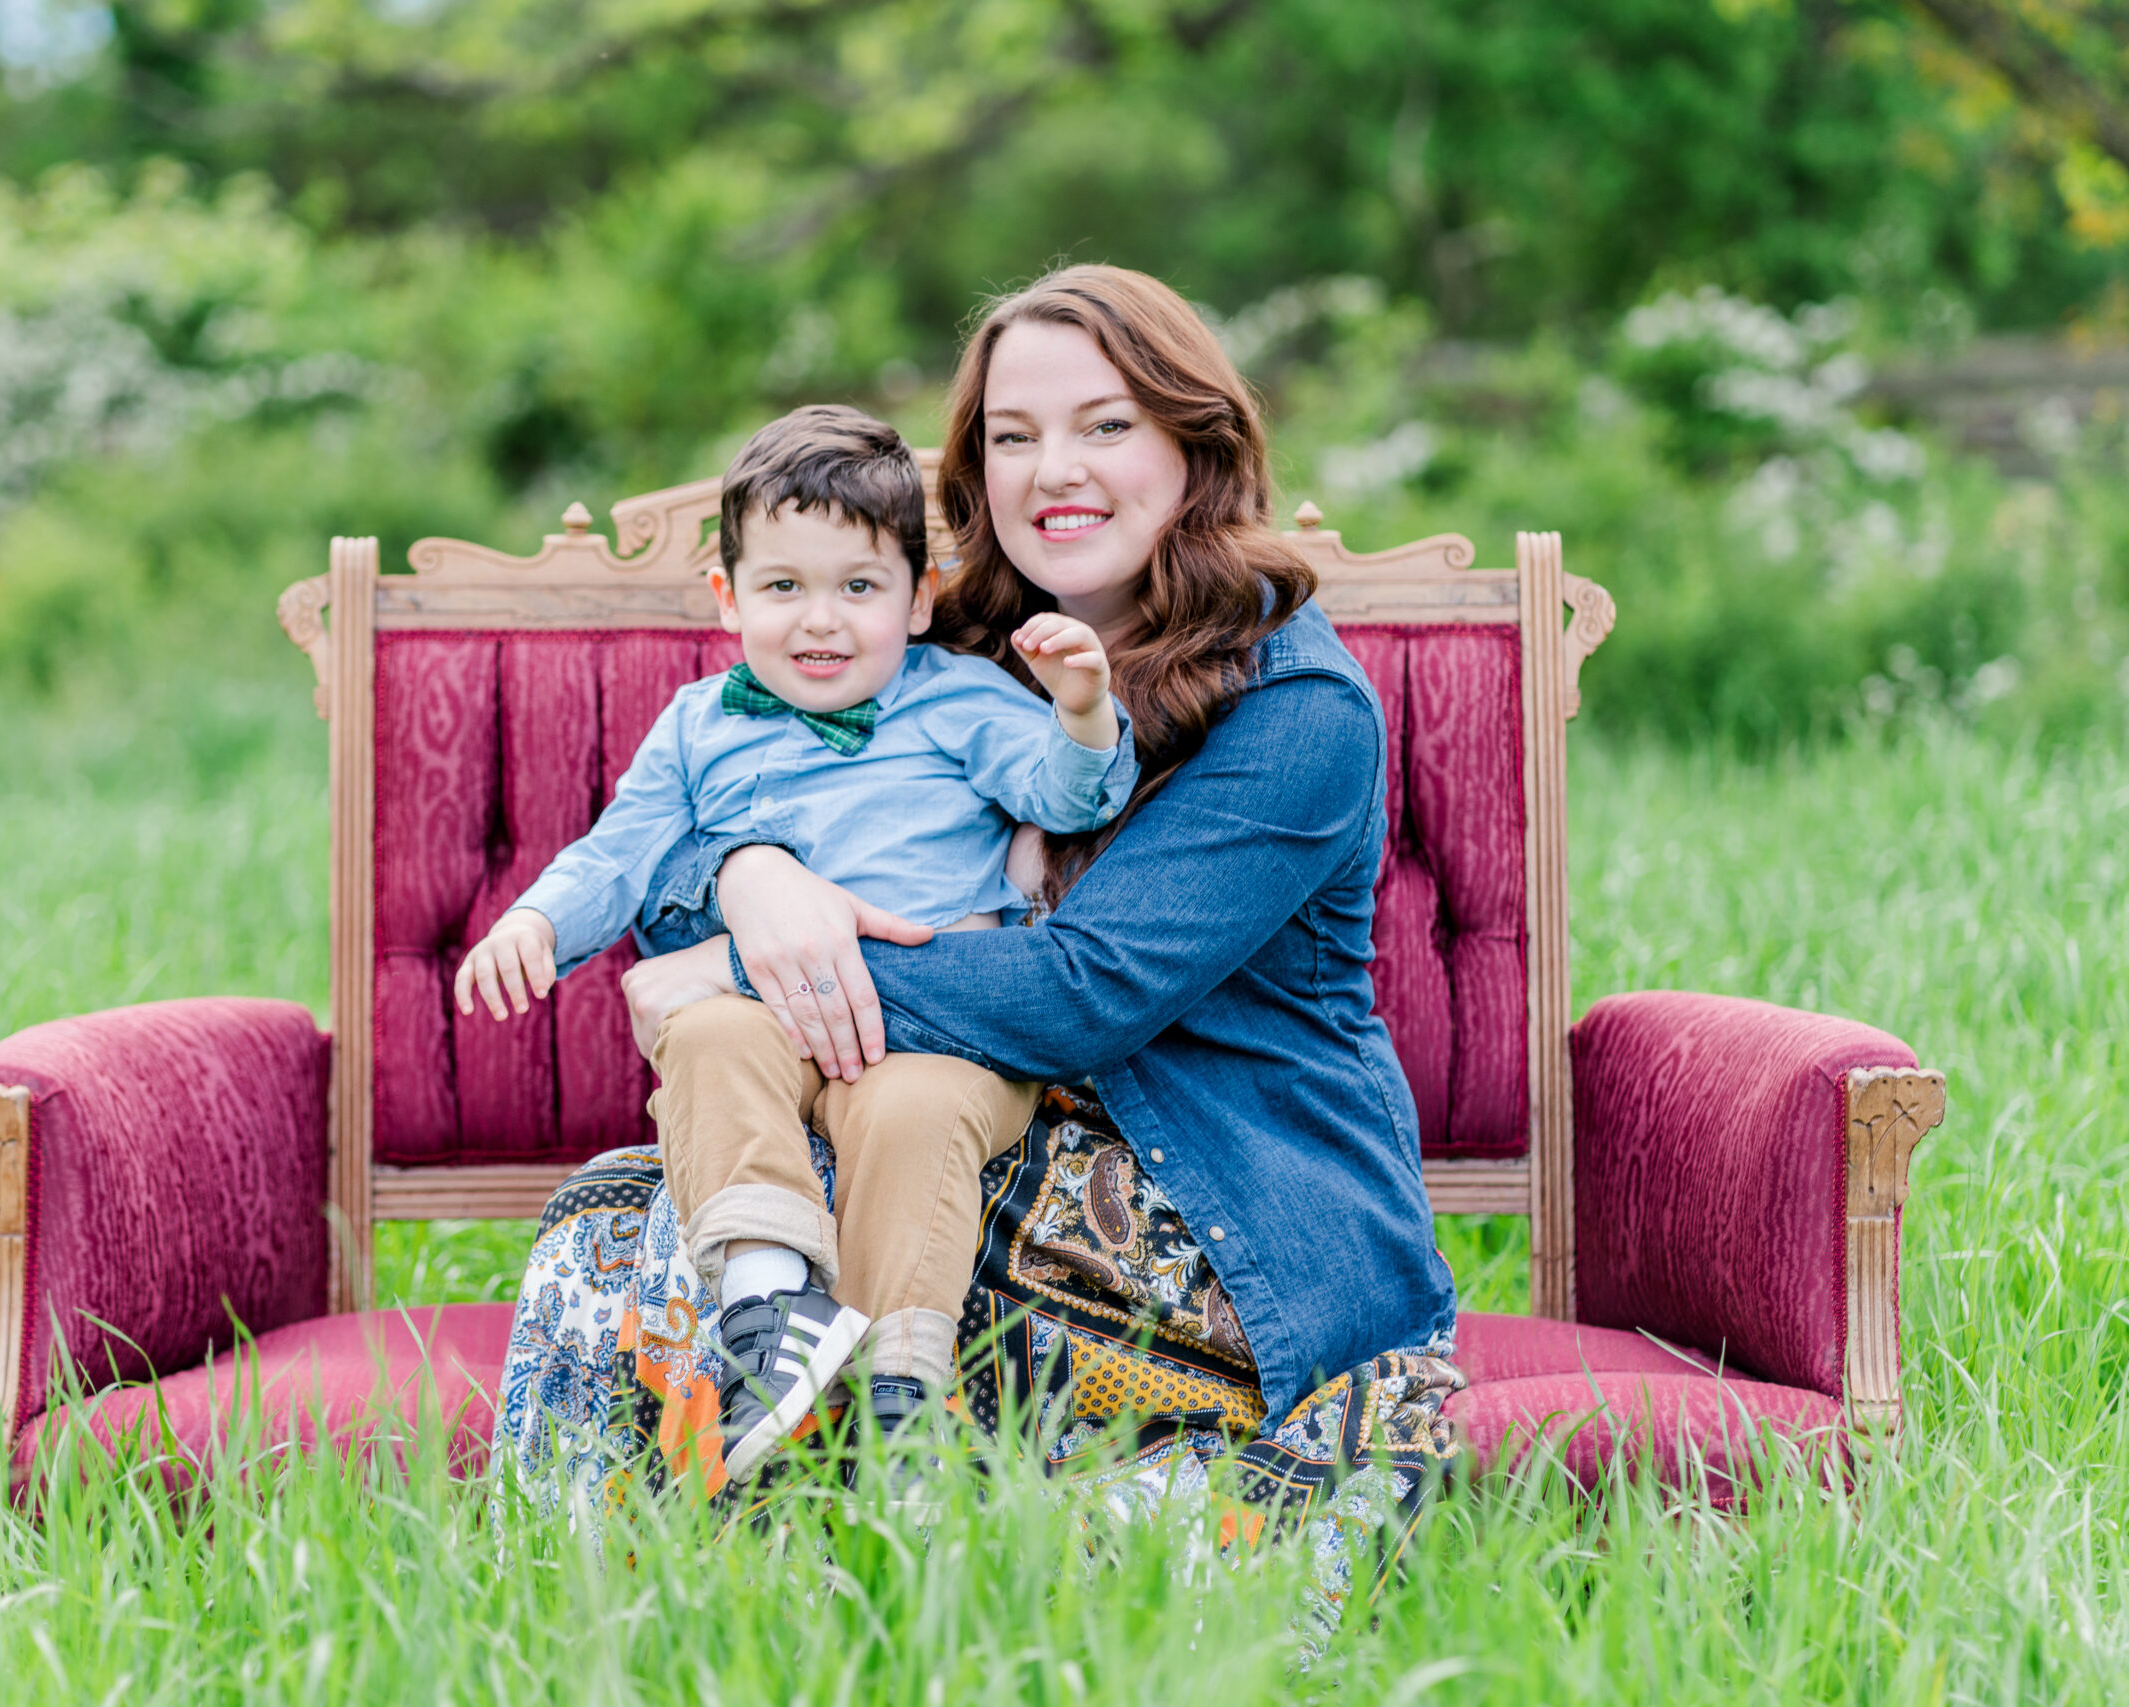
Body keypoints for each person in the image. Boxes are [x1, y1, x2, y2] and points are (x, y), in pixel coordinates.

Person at [616, 266, 1460, 1430]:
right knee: (649, 1230)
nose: (1053, 469)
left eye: (1106, 426)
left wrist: (747, 964)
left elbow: (1083, 993)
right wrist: (746, 874)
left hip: (1219, 1207)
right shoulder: (939, 652)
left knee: (701, 1254)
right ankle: (722, 1601)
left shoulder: (1296, 708)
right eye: (1012, 436)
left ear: (1195, 449)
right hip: (969, 1127)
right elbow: (691, 816)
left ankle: (882, 1543)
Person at [452, 404, 1137, 1483]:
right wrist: (535, 920)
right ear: (727, 600)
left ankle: (902, 1395)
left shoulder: (959, 699)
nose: (820, 621)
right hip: (771, 1018)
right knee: (707, 1036)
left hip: (942, 1030)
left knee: (913, 1116)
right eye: (783, 588)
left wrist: (1083, 709)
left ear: (917, 602)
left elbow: (1064, 792)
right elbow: (619, 854)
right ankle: (769, 1309)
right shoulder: (697, 726)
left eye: (857, 588)